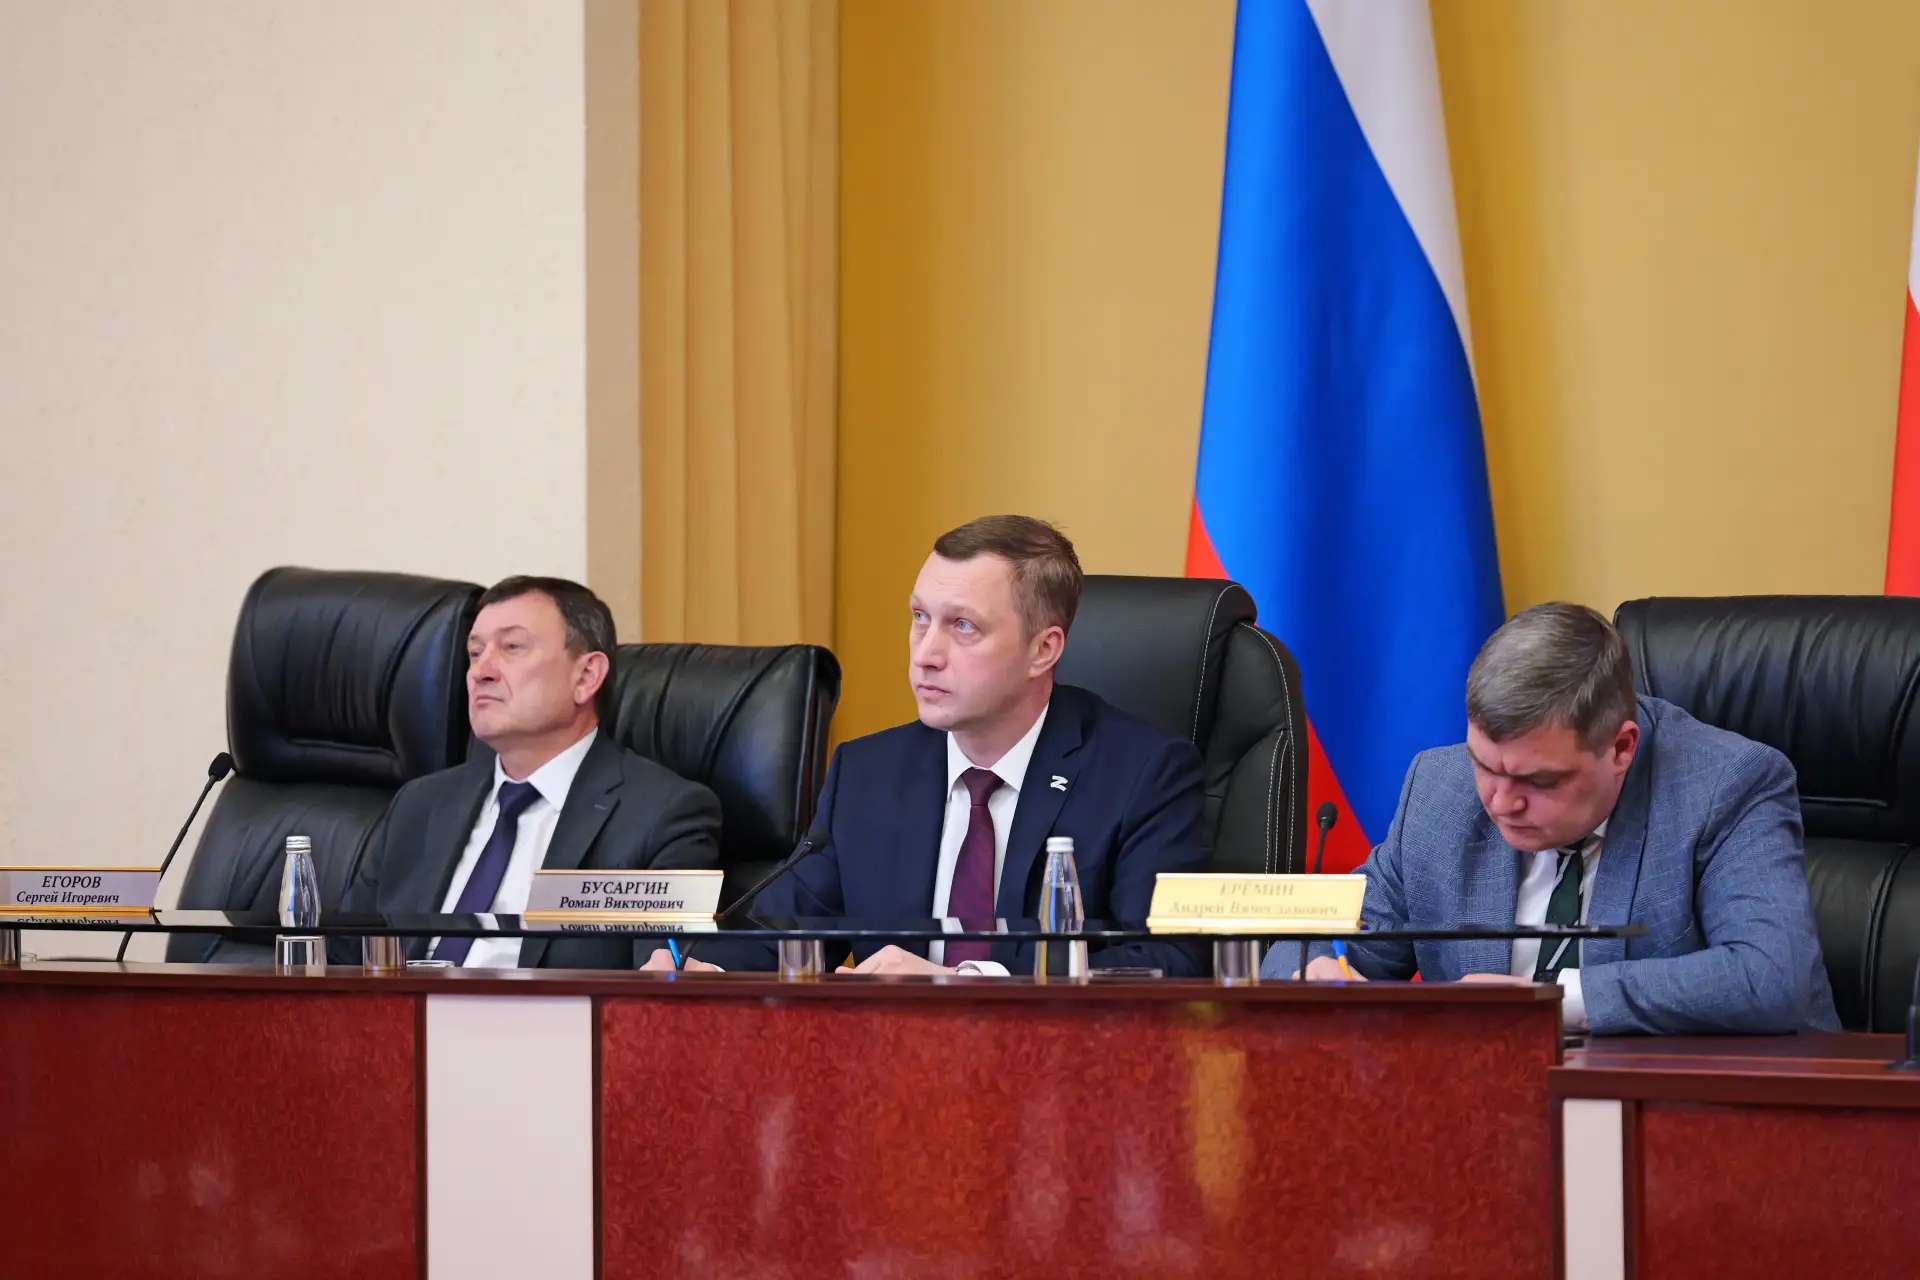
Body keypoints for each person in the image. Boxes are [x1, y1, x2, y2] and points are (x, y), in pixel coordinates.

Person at [650, 515, 1209, 977]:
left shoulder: (1142, 774)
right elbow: (782, 935)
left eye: (963, 626)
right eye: (920, 618)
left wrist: (963, 982)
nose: (925, 654)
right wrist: (705, 969)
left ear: (1044, 649)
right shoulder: (868, 773)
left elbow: (1170, 962)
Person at [1264, 602, 1839, 1035]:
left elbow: (1768, 976)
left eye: (1539, 782)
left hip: (1700, 1118)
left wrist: (1550, 1000)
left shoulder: (1727, 784)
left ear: (1621, 747)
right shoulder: (1440, 790)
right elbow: (1320, 942)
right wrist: (1313, 970)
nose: (1500, 802)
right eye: (1484, 765)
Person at [339, 575, 720, 968]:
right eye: (475, 652)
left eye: (512, 647)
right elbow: (340, 956)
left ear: (586, 676)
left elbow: (663, 969)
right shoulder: (419, 804)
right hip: (401, 1006)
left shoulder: (661, 814)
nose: (481, 672)